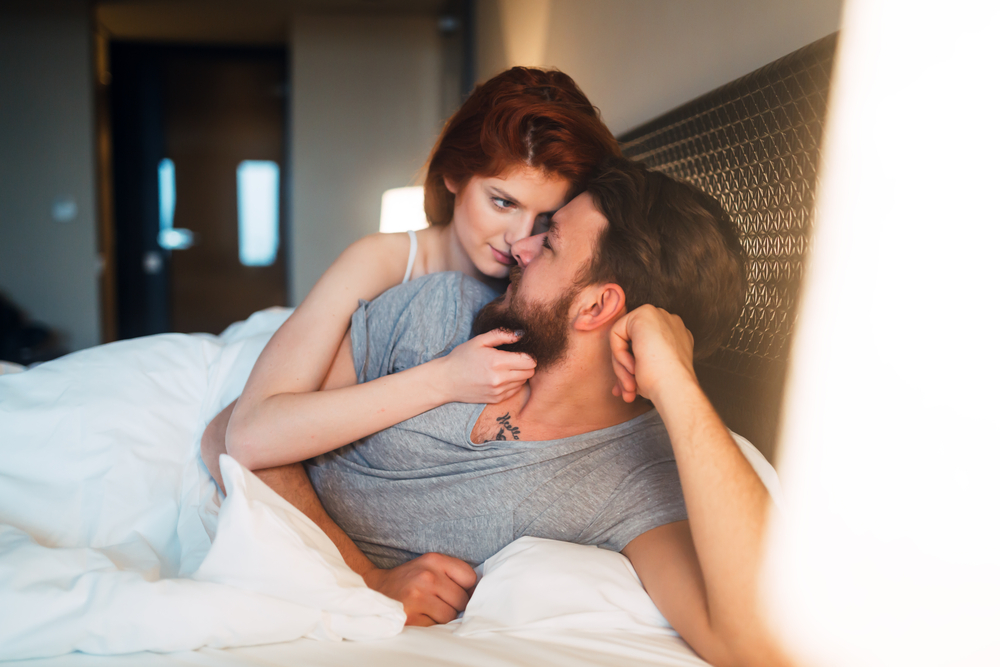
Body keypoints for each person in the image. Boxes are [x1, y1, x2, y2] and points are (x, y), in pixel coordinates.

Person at [203, 157, 787, 666]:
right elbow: (233, 434)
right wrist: (367, 577)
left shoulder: (635, 482)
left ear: (596, 307)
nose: (520, 247)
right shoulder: (442, 309)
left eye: (549, 241)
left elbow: (756, 643)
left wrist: (679, 385)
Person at [200, 66, 621, 484]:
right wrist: (445, 379)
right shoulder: (381, 261)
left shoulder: (549, 298)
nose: (520, 239)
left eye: (546, 218)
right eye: (503, 202)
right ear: (454, 174)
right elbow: (247, 433)